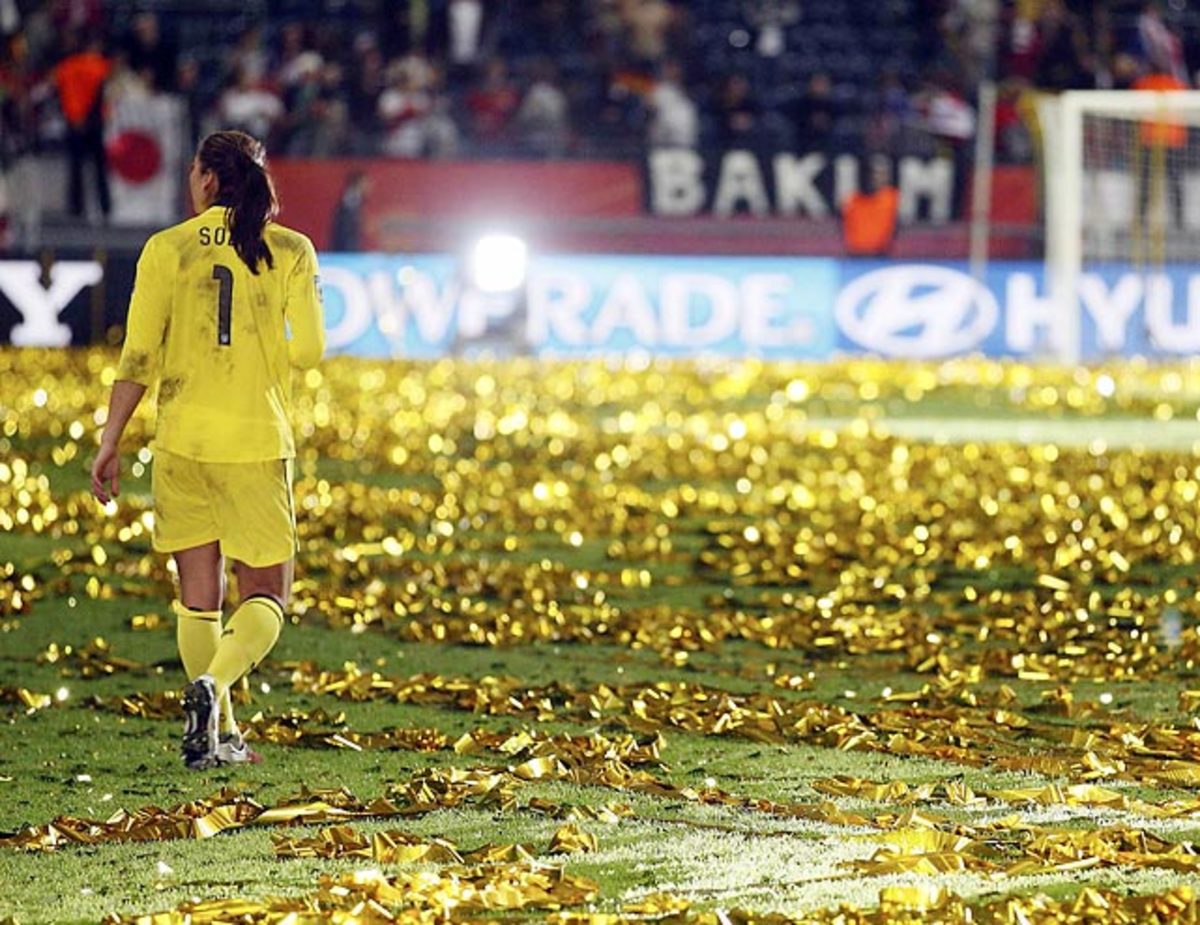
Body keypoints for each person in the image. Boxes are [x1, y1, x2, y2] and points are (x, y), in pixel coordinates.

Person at [91, 130, 325, 770]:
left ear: (206, 180)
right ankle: (215, 690)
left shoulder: (165, 248)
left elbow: (137, 355)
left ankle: (216, 734)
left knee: (199, 596)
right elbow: (308, 352)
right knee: (268, 595)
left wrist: (110, 441)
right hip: (252, 441)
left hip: (181, 442)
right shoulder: (291, 250)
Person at [53, 30, 111, 221]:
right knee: (99, 168)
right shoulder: (101, 66)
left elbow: (60, 92)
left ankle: (76, 208)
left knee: (76, 167)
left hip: (74, 122)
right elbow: (103, 93)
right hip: (93, 122)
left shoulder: (66, 67)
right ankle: (105, 207)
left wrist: (75, 117)